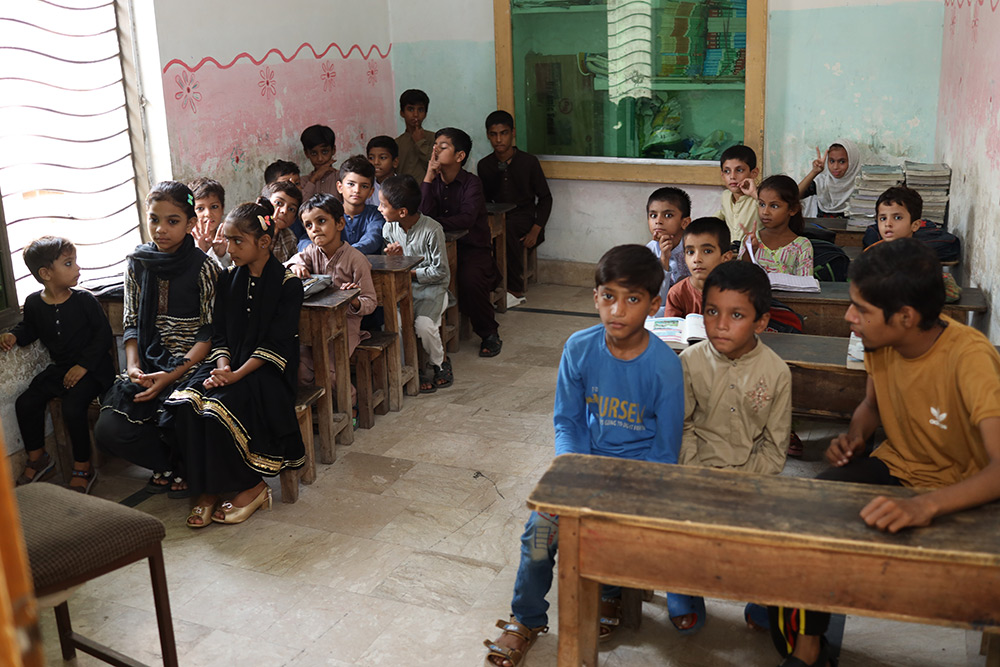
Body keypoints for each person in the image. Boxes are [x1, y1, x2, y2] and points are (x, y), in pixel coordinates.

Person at [768, 239, 1000, 667]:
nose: (849, 317)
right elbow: (871, 406)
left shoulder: (970, 358)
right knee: (805, 510)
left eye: (861, 309)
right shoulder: (879, 342)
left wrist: (924, 506)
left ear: (906, 317)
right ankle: (809, 646)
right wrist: (855, 437)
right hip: (896, 467)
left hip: (961, 488)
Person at [483, 244, 684, 667]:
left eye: (633, 299)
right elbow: (568, 422)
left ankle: (609, 591)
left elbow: (665, 451)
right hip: (582, 467)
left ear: (653, 304)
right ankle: (526, 618)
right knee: (539, 532)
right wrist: (574, 472)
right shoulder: (579, 347)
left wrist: (623, 487)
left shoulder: (665, 365)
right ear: (595, 297)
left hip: (639, 475)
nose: (618, 310)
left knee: (606, 532)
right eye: (608, 296)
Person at [163, 199, 304, 528]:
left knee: (217, 410)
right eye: (227, 240)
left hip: (267, 371)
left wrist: (236, 375)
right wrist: (224, 367)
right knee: (187, 403)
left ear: (264, 242)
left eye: (238, 241)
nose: (229, 248)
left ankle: (253, 486)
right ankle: (209, 489)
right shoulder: (227, 279)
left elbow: (276, 344)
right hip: (231, 365)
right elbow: (220, 333)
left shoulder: (288, 285)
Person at [676, 260, 791, 633]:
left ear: (761, 322)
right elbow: (682, 427)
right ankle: (685, 589)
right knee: (681, 532)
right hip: (695, 475)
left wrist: (740, 482)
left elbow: (774, 448)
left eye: (736, 315)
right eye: (712, 311)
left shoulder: (776, 373)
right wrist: (699, 476)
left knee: (776, 541)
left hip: (751, 480)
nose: (720, 324)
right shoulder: (689, 362)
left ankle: (761, 599)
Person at [94, 181, 220, 497]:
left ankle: (186, 466)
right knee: (109, 430)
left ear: (190, 224)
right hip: (149, 363)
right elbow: (132, 322)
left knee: (184, 415)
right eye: (154, 219)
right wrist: (133, 367)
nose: (161, 229)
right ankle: (169, 465)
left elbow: (209, 334)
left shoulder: (205, 267)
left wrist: (171, 375)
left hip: (192, 365)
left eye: (172, 221)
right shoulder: (137, 262)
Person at [2, 237, 114, 493]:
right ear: (46, 273)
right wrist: (14, 336)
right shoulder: (34, 303)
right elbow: (29, 328)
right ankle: (38, 458)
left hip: (94, 370)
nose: (77, 268)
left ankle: (83, 466)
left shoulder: (84, 300)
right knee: (26, 402)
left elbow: (103, 336)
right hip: (62, 368)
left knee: (73, 407)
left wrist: (83, 366)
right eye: (68, 263)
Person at [420, 127, 503, 358]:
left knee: (470, 279)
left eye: (443, 146)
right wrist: (428, 177)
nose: (436, 150)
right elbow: (422, 215)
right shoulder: (433, 182)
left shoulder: (472, 183)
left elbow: (466, 219)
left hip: (472, 249)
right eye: (435, 146)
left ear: (460, 156)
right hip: (441, 250)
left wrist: (433, 223)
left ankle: (489, 333)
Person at [289, 194, 376, 402]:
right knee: (300, 368)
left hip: (346, 327)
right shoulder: (311, 252)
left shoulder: (356, 259)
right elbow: (289, 263)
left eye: (321, 221)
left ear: (339, 224)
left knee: (330, 369)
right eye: (308, 225)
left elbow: (370, 301)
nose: (315, 229)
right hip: (316, 326)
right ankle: (320, 408)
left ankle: (350, 405)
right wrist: (295, 266)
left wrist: (354, 300)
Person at [378, 175, 452, 392]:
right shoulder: (388, 229)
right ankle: (408, 368)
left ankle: (440, 362)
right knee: (394, 325)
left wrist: (408, 271)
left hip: (432, 290)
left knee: (424, 326)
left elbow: (440, 271)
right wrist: (394, 260)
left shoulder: (432, 230)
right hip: (404, 291)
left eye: (383, 205)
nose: (379, 209)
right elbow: (389, 268)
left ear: (402, 212)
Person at [476, 109, 552, 298]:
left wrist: (535, 230)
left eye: (503, 133)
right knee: (478, 234)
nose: (498, 139)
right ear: (488, 136)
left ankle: (514, 288)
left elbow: (545, 198)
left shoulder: (529, 162)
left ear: (513, 133)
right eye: (493, 134)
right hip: (497, 216)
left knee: (507, 229)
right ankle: (488, 285)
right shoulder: (484, 165)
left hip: (524, 218)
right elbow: (484, 201)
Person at [740, 174, 814, 277]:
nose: (765, 212)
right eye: (762, 204)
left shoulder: (802, 246)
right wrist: (749, 252)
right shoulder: (751, 240)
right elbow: (739, 277)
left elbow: (806, 283)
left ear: (792, 209)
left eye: (774, 206)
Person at [665, 217, 732, 317]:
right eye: (690, 252)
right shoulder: (677, 294)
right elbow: (671, 326)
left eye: (707, 251)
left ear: (725, 258)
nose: (697, 259)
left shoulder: (736, 293)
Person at [645, 186, 692, 316]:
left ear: (685, 222)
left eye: (668, 215)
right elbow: (658, 300)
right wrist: (664, 259)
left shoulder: (693, 247)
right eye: (653, 215)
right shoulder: (649, 252)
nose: (658, 221)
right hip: (665, 308)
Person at [797, 139, 860, 218]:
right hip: (821, 226)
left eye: (842, 162)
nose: (835, 167)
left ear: (852, 162)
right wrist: (814, 172)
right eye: (832, 161)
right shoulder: (822, 182)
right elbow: (794, 196)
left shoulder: (861, 186)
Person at [337, 155, 385, 255]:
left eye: (364, 186)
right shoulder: (330, 214)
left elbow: (372, 239)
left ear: (371, 192)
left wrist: (343, 253)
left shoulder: (376, 215)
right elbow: (309, 239)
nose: (357, 190)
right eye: (351, 184)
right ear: (340, 187)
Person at [715, 144, 761, 243]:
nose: (732, 176)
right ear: (722, 175)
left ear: (754, 173)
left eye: (739, 170)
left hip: (756, 249)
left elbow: (772, 210)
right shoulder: (726, 196)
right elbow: (722, 214)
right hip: (732, 249)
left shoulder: (759, 197)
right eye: (727, 171)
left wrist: (754, 194)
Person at [189, 177, 230, 268]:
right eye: (200, 208)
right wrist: (201, 252)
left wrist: (222, 256)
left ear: (222, 209)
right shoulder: (185, 243)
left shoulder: (230, 240)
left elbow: (233, 273)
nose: (208, 213)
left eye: (214, 207)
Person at [396, 89, 434, 182]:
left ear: (425, 114)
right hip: (402, 190)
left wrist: (421, 142)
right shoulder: (396, 143)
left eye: (420, 110)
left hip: (429, 190)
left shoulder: (435, 139)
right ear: (402, 113)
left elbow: (437, 167)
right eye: (410, 109)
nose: (416, 114)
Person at [262, 181, 302, 263]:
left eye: (291, 209)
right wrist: (272, 233)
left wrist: (293, 266)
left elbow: (292, 263)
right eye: (278, 203)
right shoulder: (251, 231)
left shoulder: (289, 236)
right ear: (264, 204)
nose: (284, 211)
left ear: (294, 219)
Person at [300, 124, 337, 202]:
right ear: (306, 154)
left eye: (325, 152)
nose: (320, 159)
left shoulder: (342, 178)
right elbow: (301, 206)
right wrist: (313, 179)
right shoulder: (302, 182)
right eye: (314, 153)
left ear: (333, 150)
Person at [365, 135, 399, 207]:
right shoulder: (366, 186)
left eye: (382, 158)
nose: (376, 162)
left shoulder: (402, 187)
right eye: (371, 158)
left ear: (395, 162)